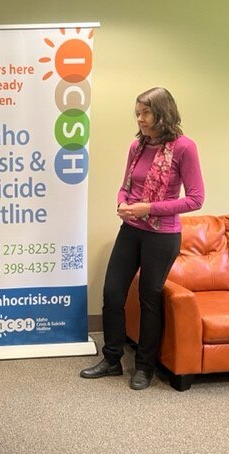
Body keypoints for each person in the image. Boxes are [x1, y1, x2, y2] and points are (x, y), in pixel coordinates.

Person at [80, 87, 204, 390]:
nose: (140, 119)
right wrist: (122, 203)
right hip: (131, 230)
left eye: (145, 113)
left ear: (163, 113)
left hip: (162, 237)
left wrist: (149, 208)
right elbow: (125, 186)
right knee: (112, 294)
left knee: (149, 299)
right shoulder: (137, 148)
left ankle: (144, 367)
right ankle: (111, 359)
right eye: (137, 113)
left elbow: (196, 199)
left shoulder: (185, 148)